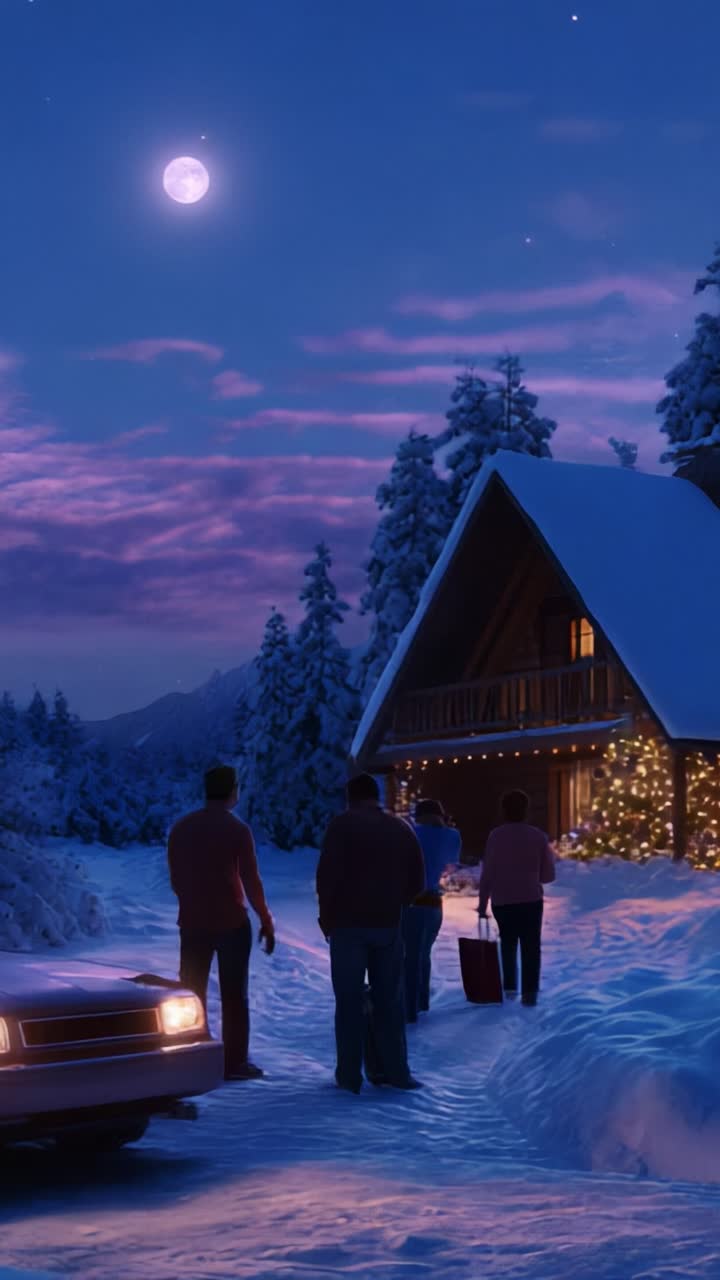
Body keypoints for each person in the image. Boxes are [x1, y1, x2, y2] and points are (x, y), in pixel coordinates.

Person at [317, 773, 426, 1093]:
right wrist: (397, 903)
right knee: (389, 1000)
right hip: (387, 924)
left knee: (349, 1002)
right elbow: (417, 880)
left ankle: (349, 1076)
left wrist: (328, 918)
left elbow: (326, 877)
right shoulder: (400, 828)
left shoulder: (341, 827)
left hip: (347, 926)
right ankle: (397, 1072)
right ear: (375, 796)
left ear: (350, 797)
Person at [168, 764, 275, 1081]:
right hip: (231, 921)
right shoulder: (237, 830)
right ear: (233, 791)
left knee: (191, 991)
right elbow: (250, 879)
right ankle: (234, 1063)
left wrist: (192, 902)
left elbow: (176, 879)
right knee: (234, 996)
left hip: (193, 922)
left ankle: (190, 1057)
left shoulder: (182, 828)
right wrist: (265, 919)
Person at [477, 789, 555, 1006]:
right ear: (526, 811)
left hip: (502, 901)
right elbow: (548, 876)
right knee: (531, 947)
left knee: (508, 943)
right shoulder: (537, 836)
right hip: (530, 899)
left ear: (504, 811)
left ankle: (510, 989)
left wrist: (482, 905)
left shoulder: (495, 836)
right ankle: (530, 994)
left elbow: (488, 874)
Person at [403, 798, 461, 1022]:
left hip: (412, 904)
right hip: (435, 906)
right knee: (423, 954)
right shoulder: (452, 836)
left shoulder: (410, 833)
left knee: (409, 957)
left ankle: (409, 1010)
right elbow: (451, 863)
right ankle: (422, 1003)